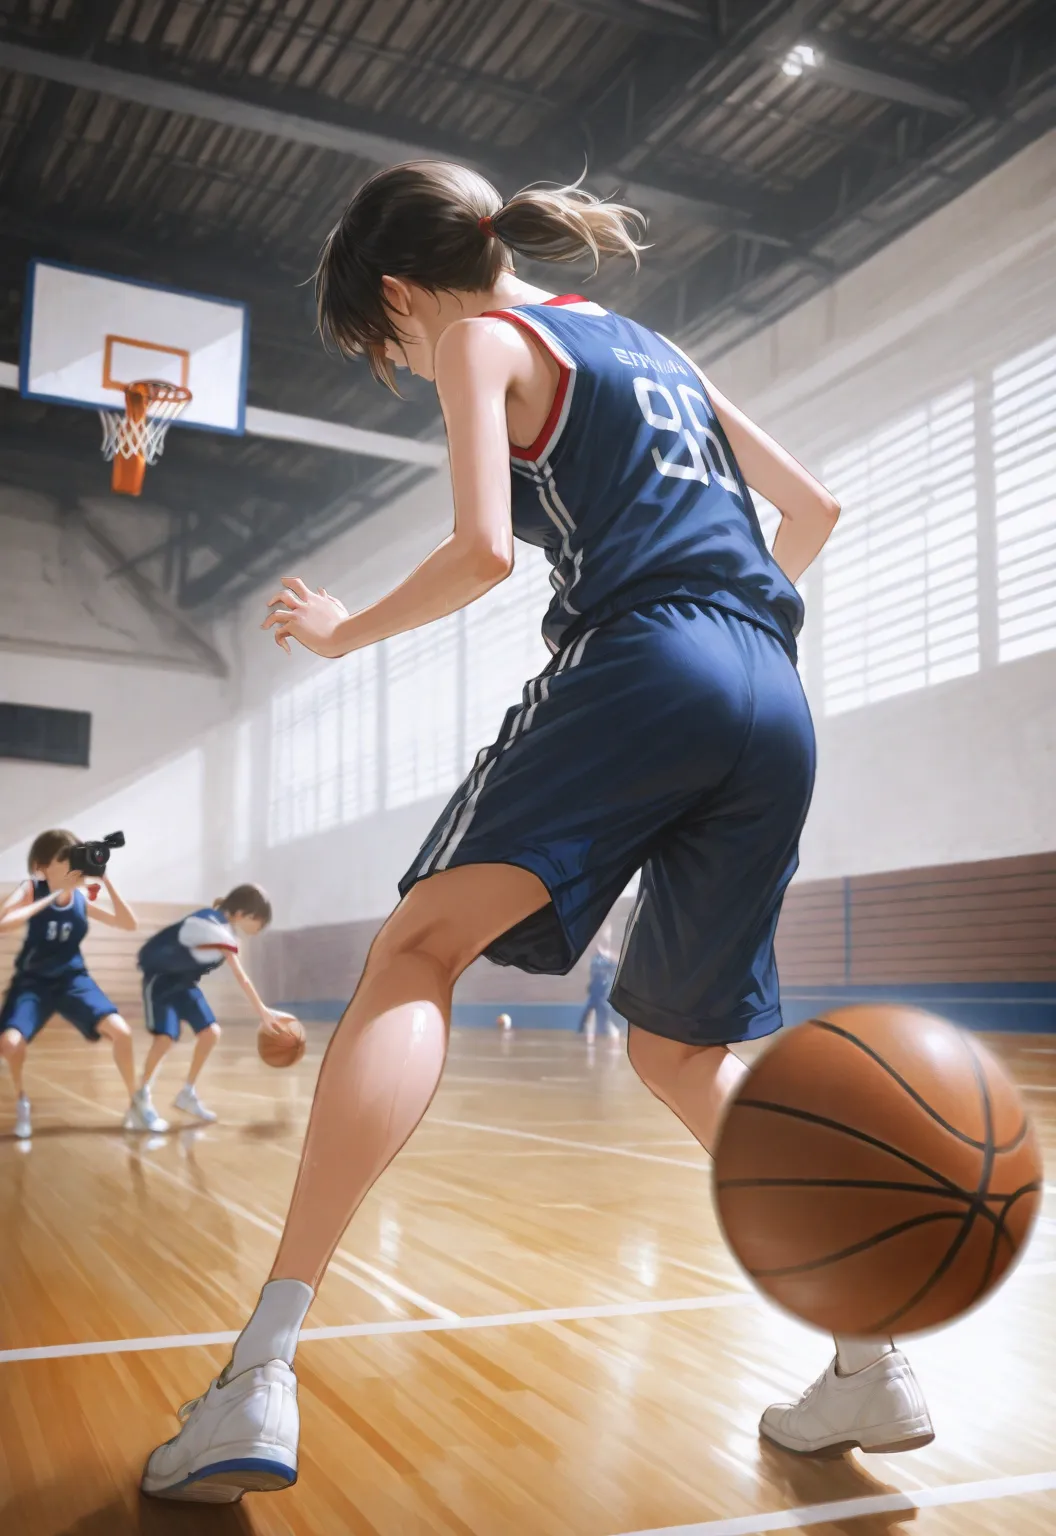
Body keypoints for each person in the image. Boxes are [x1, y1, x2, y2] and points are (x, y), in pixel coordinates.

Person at [142, 161, 931, 1502]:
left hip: (650, 660)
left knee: (414, 955)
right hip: (772, 691)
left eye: (387, 337)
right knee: (684, 1050)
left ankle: (258, 1372)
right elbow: (816, 513)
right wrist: (729, 639)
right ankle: (871, 1345)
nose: (407, 354)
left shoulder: (480, 337)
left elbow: (486, 552)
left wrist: (344, 632)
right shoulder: (648, 342)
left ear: (400, 292)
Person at [0, 828, 164, 1137]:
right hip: (33, 982)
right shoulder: (31, 889)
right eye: (64, 860)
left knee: (122, 1032)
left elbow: (128, 923)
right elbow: (4, 923)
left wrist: (105, 880)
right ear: (41, 867)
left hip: (73, 979)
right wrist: (47, 897)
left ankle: (136, 1103)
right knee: (9, 1043)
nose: (72, 867)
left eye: (74, 859)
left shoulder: (79, 898)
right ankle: (22, 1100)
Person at [136, 884, 285, 1124]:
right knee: (165, 1038)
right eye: (258, 921)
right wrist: (263, 1012)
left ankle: (187, 1093)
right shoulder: (210, 926)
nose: (259, 929)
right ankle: (141, 1096)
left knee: (210, 1033)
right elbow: (241, 977)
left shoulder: (225, 930)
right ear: (242, 914)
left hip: (185, 984)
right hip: (161, 983)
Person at [579, 922, 620, 1043]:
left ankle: (612, 1037)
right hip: (594, 992)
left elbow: (615, 967)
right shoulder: (595, 957)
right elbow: (592, 971)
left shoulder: (608, 957)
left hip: (603, 993)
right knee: (586, 1015)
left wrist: (605, 955)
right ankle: (583, 1036)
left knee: (604, 1018)